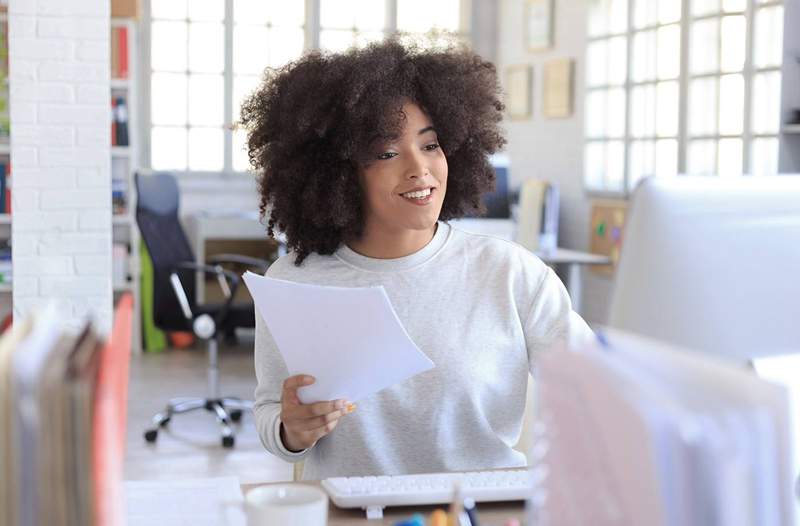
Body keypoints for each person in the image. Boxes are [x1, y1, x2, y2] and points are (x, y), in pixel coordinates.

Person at [240, 37, 595, 481]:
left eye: (430, 145)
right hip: (353, 515)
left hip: (478, 510)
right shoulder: (294, 281)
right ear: (338, 172)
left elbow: (598, 388)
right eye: (386, 153)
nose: (419, 168)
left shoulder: (511, 274)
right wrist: (292, 429)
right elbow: (272, 415)